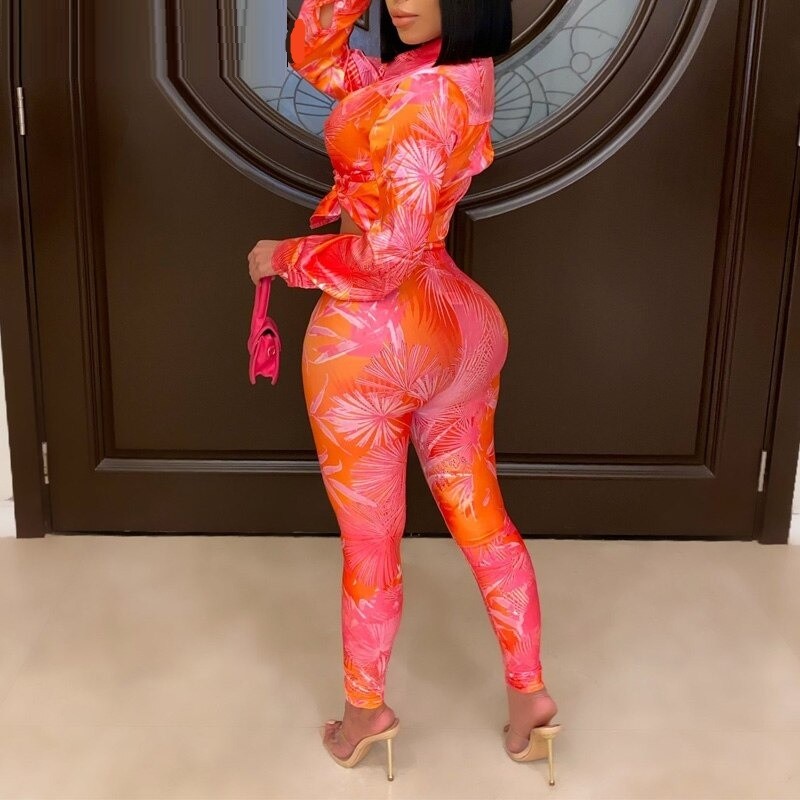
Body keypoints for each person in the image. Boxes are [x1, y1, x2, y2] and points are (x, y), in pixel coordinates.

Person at [247, 0, 561, 783]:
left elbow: (387, 262)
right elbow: (317, 54)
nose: (400, 1)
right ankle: (531, 697)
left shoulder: (418, 96)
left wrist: (285, 257)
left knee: (371, 542)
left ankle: (364, 714)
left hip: (376, 339)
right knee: (481, 517)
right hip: (460, 325)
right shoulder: (449, 71)